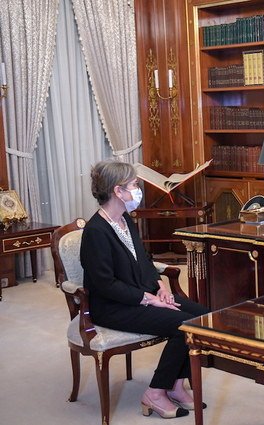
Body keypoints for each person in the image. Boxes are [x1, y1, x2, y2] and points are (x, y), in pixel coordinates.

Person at [80, 160, 209, 419]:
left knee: (202, 316)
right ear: (118, 191)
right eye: (134, 185)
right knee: (183, 323)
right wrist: (148, 299)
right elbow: (105, 285)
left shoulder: (125, 219)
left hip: (140, 295)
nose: (138, 190)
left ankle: (175, 385)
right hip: (113, 307)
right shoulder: (96, 231)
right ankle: (155, 392)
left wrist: (160, 286)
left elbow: (144, 260)